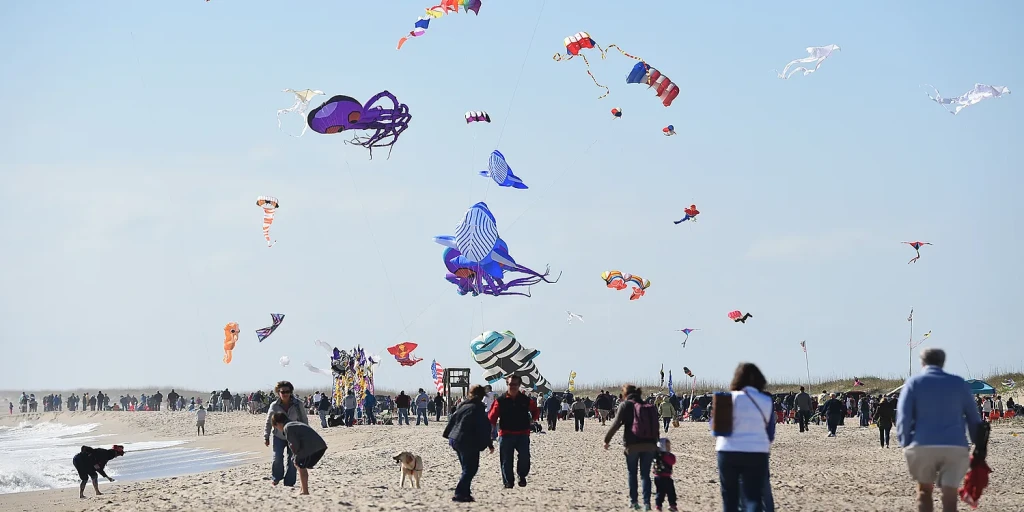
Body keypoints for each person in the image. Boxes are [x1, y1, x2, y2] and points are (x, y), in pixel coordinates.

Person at [897, 348, 983, 512]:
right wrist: (977, 445)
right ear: (943, 362)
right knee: (950, 496)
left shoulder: (914, 383)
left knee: (924, 492)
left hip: (922, 444)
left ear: (922, 362)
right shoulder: (959, 383)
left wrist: (905, 441)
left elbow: (903, 417)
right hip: (955, 446)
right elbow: (974, 418)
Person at [712, 363, 775, 512]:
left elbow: (715, 427)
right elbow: (770, 433)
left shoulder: (728, 399)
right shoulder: (766, 401)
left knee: (730, 498)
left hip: (728, 450)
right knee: (754, 497)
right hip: (757, 451)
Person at [604, 384, 659, 511]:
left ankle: (634, 501)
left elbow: (616, 424)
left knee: (632, 473)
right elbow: (656, 427)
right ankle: (647, 504)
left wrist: (607, 440)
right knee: (645, 475)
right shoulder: (648, 406)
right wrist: (655, 444)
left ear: (625, 394)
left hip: (632, 444)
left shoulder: (625, 405)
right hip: (649, 444)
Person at [443, 384, 495, 503]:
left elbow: (453, 420)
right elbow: (484, 427)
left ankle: (466, 494)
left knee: (466, 469)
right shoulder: (477, 408)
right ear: (482, 396)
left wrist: (448, 435)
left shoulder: (463, 405)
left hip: (456, 440)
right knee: (471, 469)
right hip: (468, 441)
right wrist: (489, 444)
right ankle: (459, 493)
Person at [488, 375, 540, 489]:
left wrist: (533, 419)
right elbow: (492, 417)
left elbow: (535, 410)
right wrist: (489, 431)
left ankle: (522, 476)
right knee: (506, 459)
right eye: (510, 384)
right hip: (506, 434)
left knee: (525, 457)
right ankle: (508, 482)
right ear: (507, 385)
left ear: (519, 385)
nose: (513, 387)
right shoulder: (500, 400)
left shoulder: (526, 400)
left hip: (523, 433)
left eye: (515, 384)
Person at [263, 380, 309, 487]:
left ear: (291, 392)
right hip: (278, 436)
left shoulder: (298, 404)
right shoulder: (274, 406)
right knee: (277, 457)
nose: (285, 394)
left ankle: (289, 482)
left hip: (294, 437)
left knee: (292, 460)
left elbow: (304, 420)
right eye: (282, 392)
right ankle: (276, 477)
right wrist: (266, 436)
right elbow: (268, 421)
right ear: (278, 392)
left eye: (287, 392)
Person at [272, 412, 327, 495]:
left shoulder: (287, 427)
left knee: (299, 464)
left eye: (276, 427)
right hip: (318, 445)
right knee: (299, 464)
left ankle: (305, 491)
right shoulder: (293, 424)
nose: (278, 429)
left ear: (278, 423)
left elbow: (294, 444)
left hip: (314, 447)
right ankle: (302, 489)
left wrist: (295, 456)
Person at [654, 438, 677, 512]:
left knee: (671, 492)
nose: (669, 448)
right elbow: (672, 461)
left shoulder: (659, 455)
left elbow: (673, 461)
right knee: (660, 492)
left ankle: (672, 505)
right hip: (660, 477)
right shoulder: (660, 456)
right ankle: (658, 505)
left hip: (666, 477)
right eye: (667, 446)